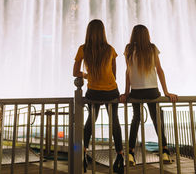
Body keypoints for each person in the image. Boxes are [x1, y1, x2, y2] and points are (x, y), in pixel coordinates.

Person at [120, 24, 178, 166]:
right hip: (152, 91)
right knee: (157, 119)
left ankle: (131, 154)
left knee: (136, 119)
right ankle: (164, 151)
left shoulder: (129, 49)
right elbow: (159, 70)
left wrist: (127, 93)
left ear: (133, 35)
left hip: (136, 92)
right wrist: (166, 92)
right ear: (147, 35)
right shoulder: (152, 48)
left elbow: (128, 73)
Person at [73, 19, 124, 173]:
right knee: (114, 120)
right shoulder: (110, 49)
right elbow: (114, 74)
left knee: (91, 119)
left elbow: (75, 73)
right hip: (111, 91)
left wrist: (89, 76)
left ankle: (83, 151)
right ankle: (120, 156)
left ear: (88, 32)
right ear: (103, 32)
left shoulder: (83, 49)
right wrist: (106, 80)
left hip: (93, 92)